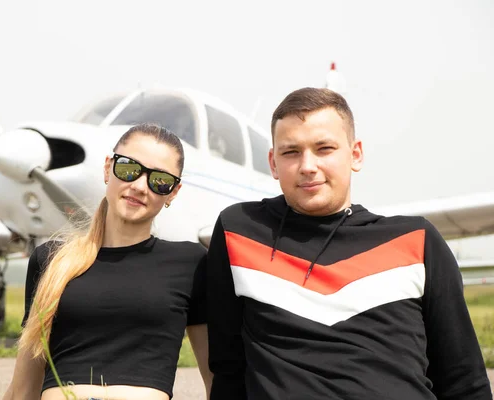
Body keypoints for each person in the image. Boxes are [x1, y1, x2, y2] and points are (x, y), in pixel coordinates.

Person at [206, 88, 491, 399]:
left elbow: (464, 380)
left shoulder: (417, 241)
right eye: (291, 152)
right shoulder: (239, 231)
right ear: (273, 163)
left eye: (324, 148)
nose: (307, 166)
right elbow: (228, 370)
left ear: (355, 154)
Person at [4, 123, 212, 400]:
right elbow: (24, 387)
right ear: (107, 168)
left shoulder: (192, 264)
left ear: (173, 192)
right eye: (129, 169)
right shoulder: (52, 260)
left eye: (159, 180)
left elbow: (217, 379)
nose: (139, 186)